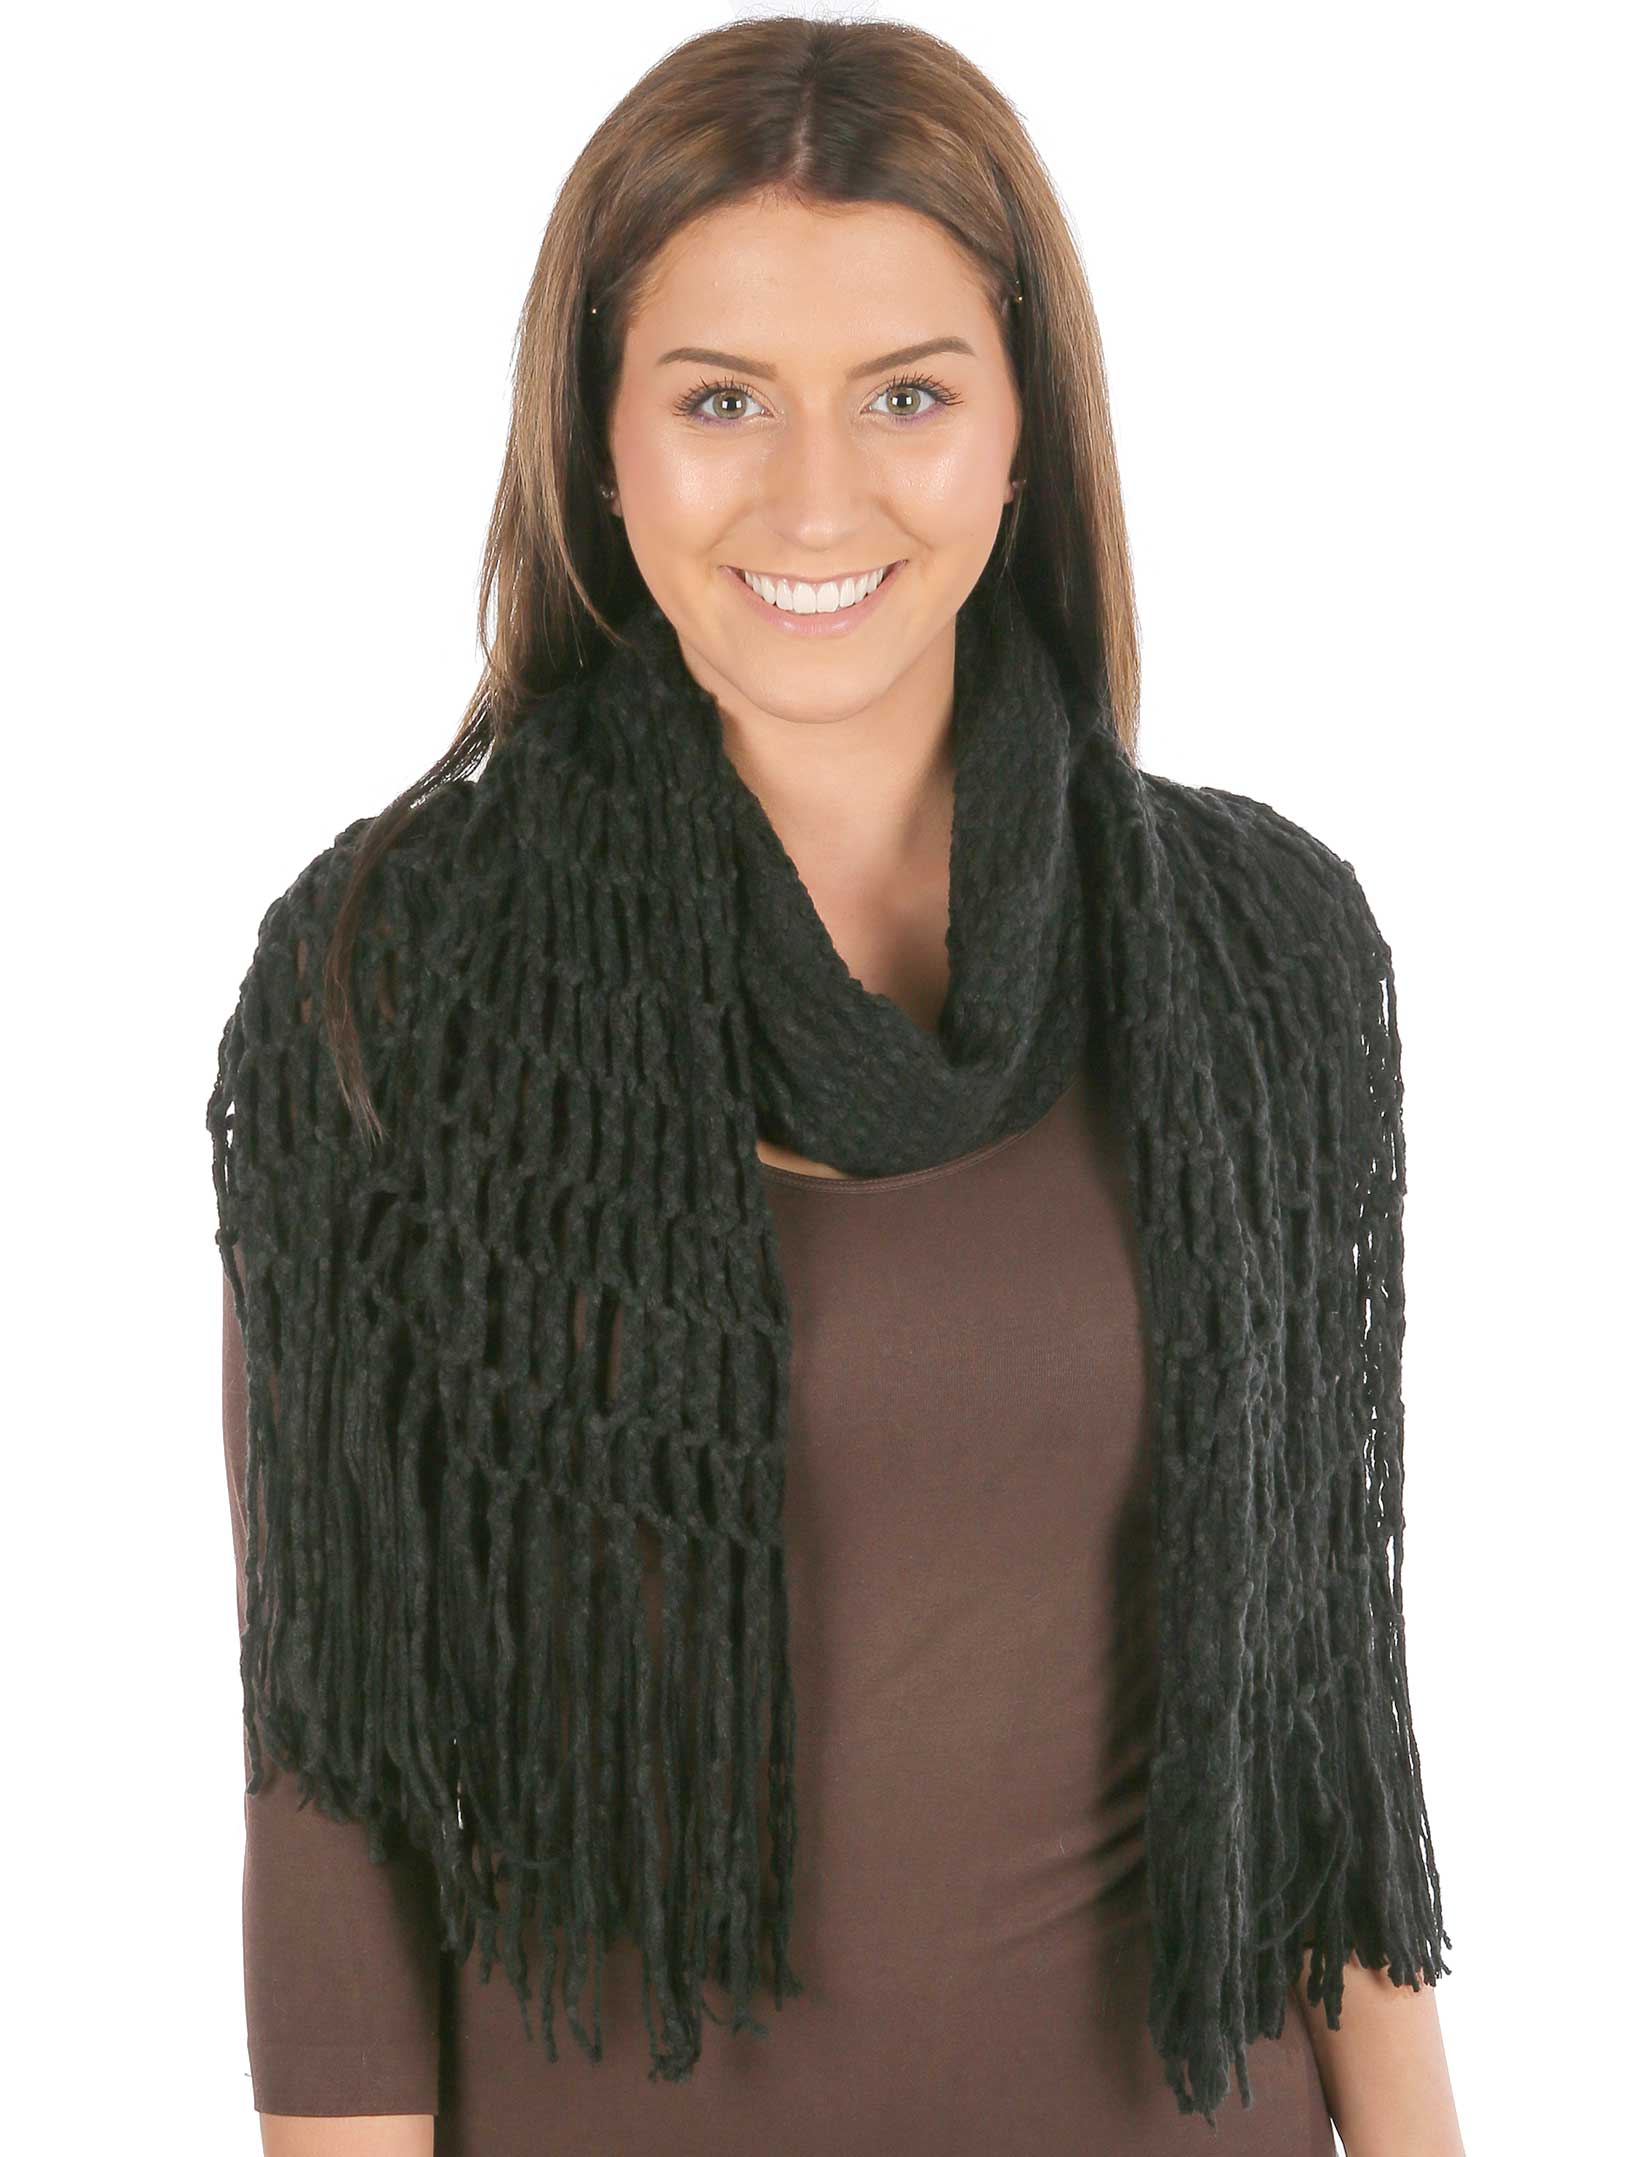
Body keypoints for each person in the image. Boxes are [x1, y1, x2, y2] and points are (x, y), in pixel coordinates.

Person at [211, 18, 1464, 2156]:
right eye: (721, 399)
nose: (815, 496)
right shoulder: (392, 984)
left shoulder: (1259, 955)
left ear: (1021, 433)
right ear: (600, 441)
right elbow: (330, 1802)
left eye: (908, 394)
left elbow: (1324, 1721)